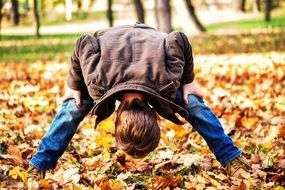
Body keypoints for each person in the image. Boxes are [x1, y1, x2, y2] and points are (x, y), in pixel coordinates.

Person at [27, 23, 251, 181]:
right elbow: (84, 42)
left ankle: (231, 158)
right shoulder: (98, 81)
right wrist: (73, 86)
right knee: (73, 104)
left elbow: (178, 39)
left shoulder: (164, 79)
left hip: (147, 43)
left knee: (191, 101)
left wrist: (188, 82)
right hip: (113, 47)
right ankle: (39, 164)